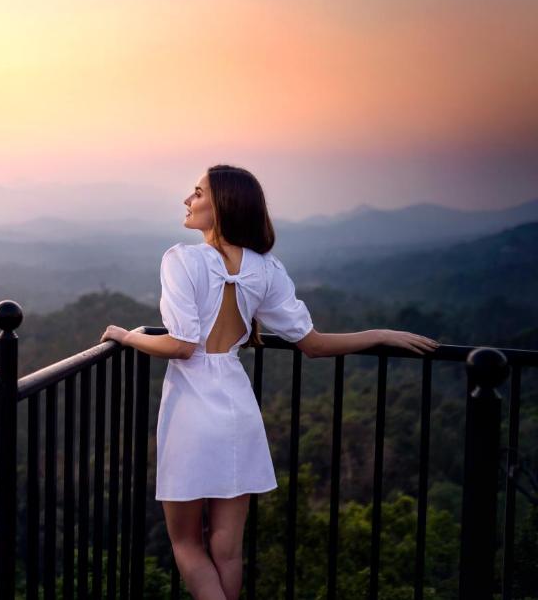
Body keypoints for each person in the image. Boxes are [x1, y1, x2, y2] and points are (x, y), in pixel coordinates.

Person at [99, 164, 440, 600]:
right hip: (239, 410)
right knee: (228, 550)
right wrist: (379, 334)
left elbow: (182, 345)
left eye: (197, 193)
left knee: (186, 542)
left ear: (221, 205)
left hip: (192, 412)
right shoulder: (265, 268)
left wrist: (127, 336)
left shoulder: (181, 259)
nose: (188, 200)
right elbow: (313, 344)